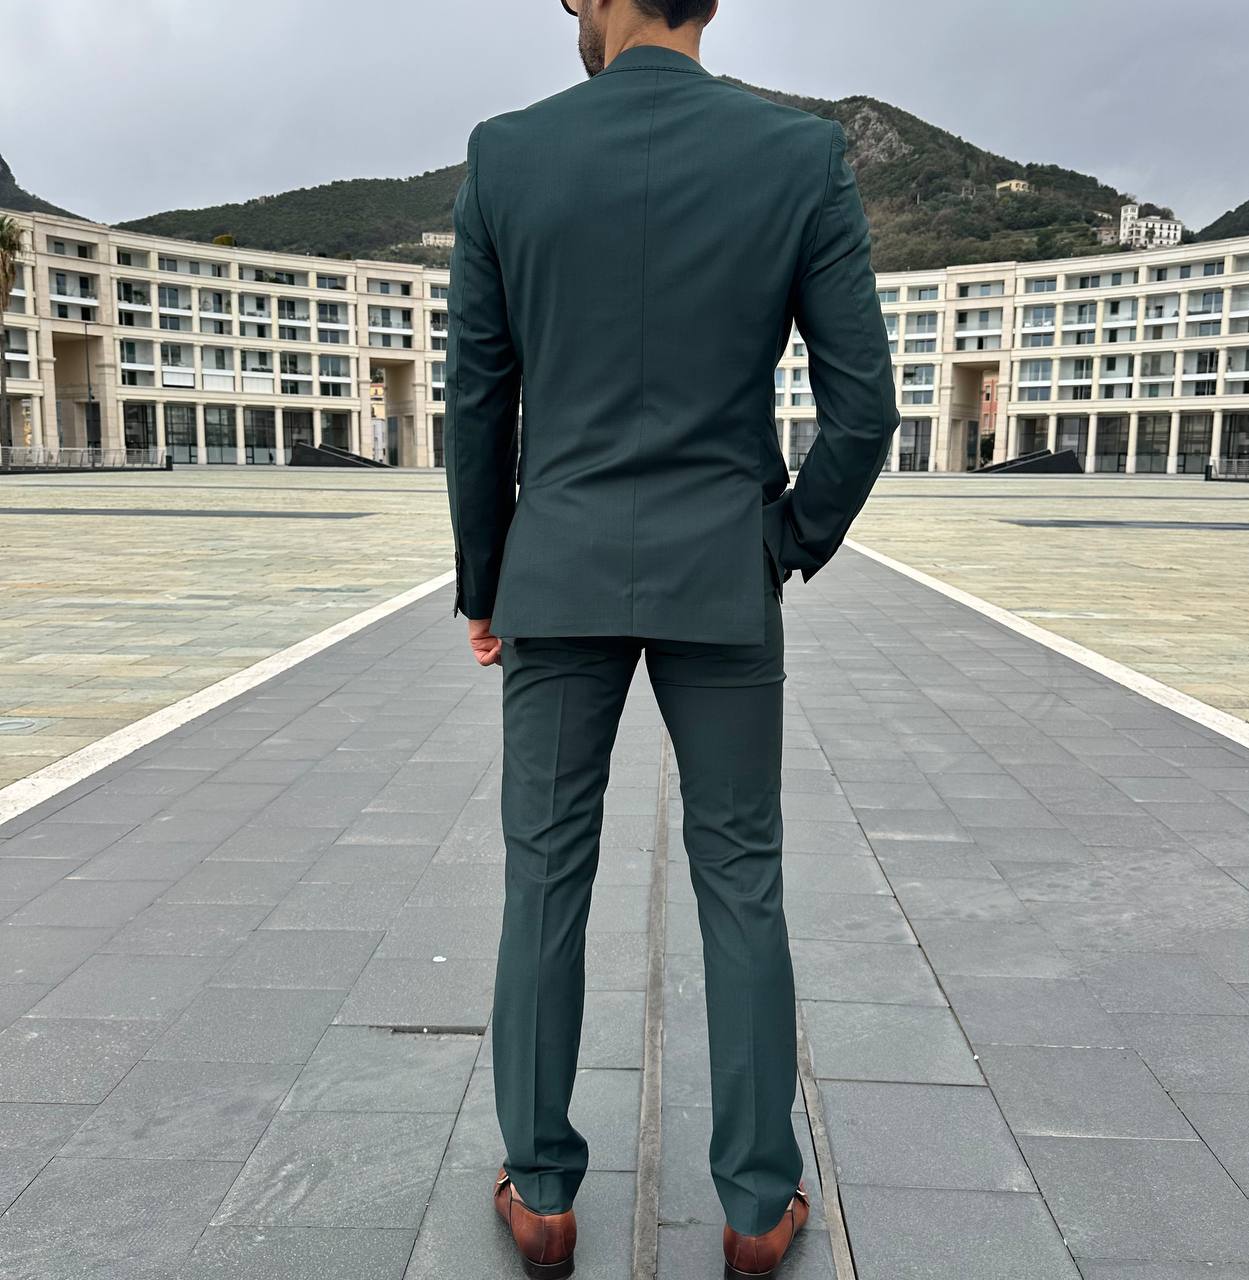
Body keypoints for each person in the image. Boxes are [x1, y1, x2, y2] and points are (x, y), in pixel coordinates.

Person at [444, 1, 899, 1275]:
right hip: (719, 569)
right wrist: (782, 539)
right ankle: (755, 1204)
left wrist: (485, 580)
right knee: (740, 876)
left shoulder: (506, 155)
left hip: (557, 571)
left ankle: (542, 1190)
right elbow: (862, 407)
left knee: (544, 874)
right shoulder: (797, 156)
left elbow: (478, 399)